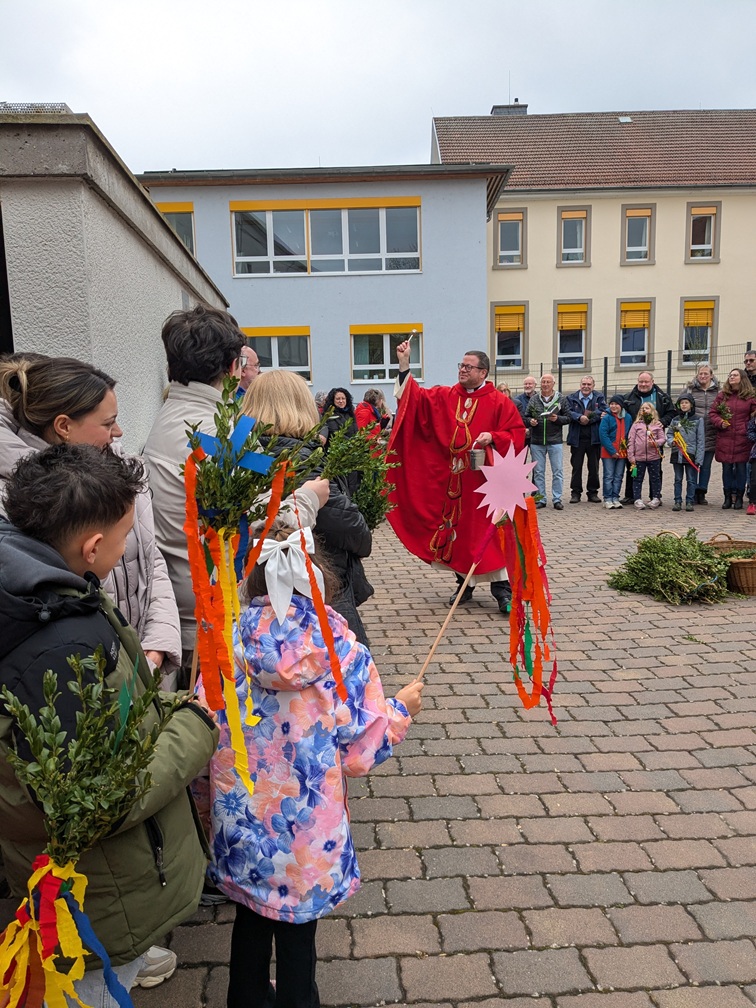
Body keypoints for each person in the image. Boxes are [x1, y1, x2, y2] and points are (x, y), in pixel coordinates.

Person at [0, 444, 218, 1005]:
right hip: (96, 894)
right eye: (126, 537)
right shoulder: (62, 641)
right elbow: (99, 800)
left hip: (79, 881)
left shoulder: (35, 589)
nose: (128, 549)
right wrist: (192, 727)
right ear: (93, 547)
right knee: (92, 985)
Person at [199, 520, 423, 1008]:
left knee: (251, 919)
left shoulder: (224, 642)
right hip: (306, 833)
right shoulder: (342, 652)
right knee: (298, 932)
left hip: (242, 823)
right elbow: (362, 750)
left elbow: (203, 725)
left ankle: (248, 996)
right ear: (320, 577)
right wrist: (401, 710)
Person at [143, 304, 328, 669]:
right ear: (233, 369)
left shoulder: (165, 418)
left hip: (174, 603)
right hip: (217, 610)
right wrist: (310, 497)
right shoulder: (228, 435)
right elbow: (271, 522)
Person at [0, 356, 182, 689]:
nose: (119, 432)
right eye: (108, 422)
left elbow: (152, 560)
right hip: (87, 679)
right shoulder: (18, 500)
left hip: (142, 662)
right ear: (64, 426)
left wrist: (157, 643)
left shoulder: (122, 472)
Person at [388, 345, 525, 614]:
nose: (462, 370)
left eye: (468, 367)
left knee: (491, 535)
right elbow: (414, 400)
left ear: (482, 372)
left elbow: (517, 434)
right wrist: (404, 365)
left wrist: (493, 438)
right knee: (459, 532)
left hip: (486, 485)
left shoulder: (499, 401)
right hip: (455, 482)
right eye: (461, 366)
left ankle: (503, 593)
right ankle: (464, 585)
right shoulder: (445, 396)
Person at [242, 371, 374, 645]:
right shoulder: (301, 460)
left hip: (259, 589)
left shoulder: (246, 457)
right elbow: (351, 528)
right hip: (318, 586)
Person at [620, 372, 675, 504]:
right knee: (632, 468)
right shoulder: (628, 397)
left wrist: (663, 421)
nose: (643, 384)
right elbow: (619, 411)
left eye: (646, 382)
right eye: (641, 382)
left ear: (652, 382)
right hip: (636, 439)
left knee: (655, 471)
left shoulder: (662, 397)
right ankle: (631, 496)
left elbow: (672, 412)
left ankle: (655, 496)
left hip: (654, 440)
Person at [709, 368, 756, 510]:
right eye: (730, 375)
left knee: (741, 468)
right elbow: (713, 412)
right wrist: (720, 422)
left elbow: (754, 413)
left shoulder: (750, 396)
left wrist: (748, 426)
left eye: (735, 375)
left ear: (742, 378)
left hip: (743, 437)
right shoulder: (722, 396)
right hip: (725, 436)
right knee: (727, 468)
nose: (732, 377)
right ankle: (728, 497)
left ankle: (740, 497)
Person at [525, 373, 570, 509]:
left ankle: (557, 499)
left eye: (548, 382)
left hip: (555, 441)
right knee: (538, 472)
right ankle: (541, 498)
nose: (545, 384)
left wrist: (558, 419)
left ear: (553, 384)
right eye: (543, 382)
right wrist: (530, 422)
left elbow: (568, 418)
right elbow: (526, 416)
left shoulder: (561, 399)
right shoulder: (534, 399)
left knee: (557, 471)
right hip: (537, 441)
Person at [565, 375, 607, 503]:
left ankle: (593, 492)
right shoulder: (571, 397)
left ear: (593, 386)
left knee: (594, 467)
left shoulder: (599, 397)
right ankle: (575, 493)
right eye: (584, 384)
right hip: (577, 438)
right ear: (580, 385)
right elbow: (568, 412)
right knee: (576, 467)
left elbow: (603, 411)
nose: (586, 386)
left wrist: (589, 419)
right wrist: (579, 418)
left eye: (589, 384)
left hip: (594, 438)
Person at [684, 363, 720, 504]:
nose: (703, 376)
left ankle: (702, 492)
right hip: (693, 434)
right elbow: (681, 405)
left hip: (711, 432)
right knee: (693, 464)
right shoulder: (690, 389)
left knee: (706, 466)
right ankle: (692, 492)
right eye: (701, 374)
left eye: (706, 374)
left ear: (711, 375)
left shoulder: (718, 391)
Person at [666, 394, 705, 512]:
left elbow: (700, 440)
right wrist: (672, 441)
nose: (684, 405)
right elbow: (669, 434)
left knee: (691, 479)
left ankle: (689, 500)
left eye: (686, 403)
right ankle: (677, 500)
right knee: (678, 479)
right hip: (677, 453)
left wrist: (699, 458)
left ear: (691, 405)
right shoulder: (675, 420)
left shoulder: (698, 420)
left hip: (691, 454)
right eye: (682, 403)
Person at [627, 402, 666, 509]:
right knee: (637, 478)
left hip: (654, 457)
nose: (644, 410)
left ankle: (656, 497)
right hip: (639, 457)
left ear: (652, 411)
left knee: (655, 478)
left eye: (647, 408)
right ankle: (637, 499)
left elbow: (663, 439)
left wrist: (655, 443)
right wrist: (631, 456)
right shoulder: (636, 425)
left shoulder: (656, 425)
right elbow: (631, 441)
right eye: (642, 408)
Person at [598, 395, 628, 509]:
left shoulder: (628, 417)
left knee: (619, 476)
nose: (613, 406)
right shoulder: (606, 417)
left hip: (622, 452)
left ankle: (615, 497)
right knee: (609, 476)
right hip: (608, 452)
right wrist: (612, 451)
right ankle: (607, 498)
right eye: (611, 404)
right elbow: (603, 435)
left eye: (616, 404)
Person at [514, 376, 537, 452]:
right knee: (521, 460)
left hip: (536, 434)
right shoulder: (517, 400)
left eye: (530, 384)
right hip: (523, 434)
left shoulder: (540, 398)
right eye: (525, 384)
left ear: (535, 385)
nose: (527, 386)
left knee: (536, 460)